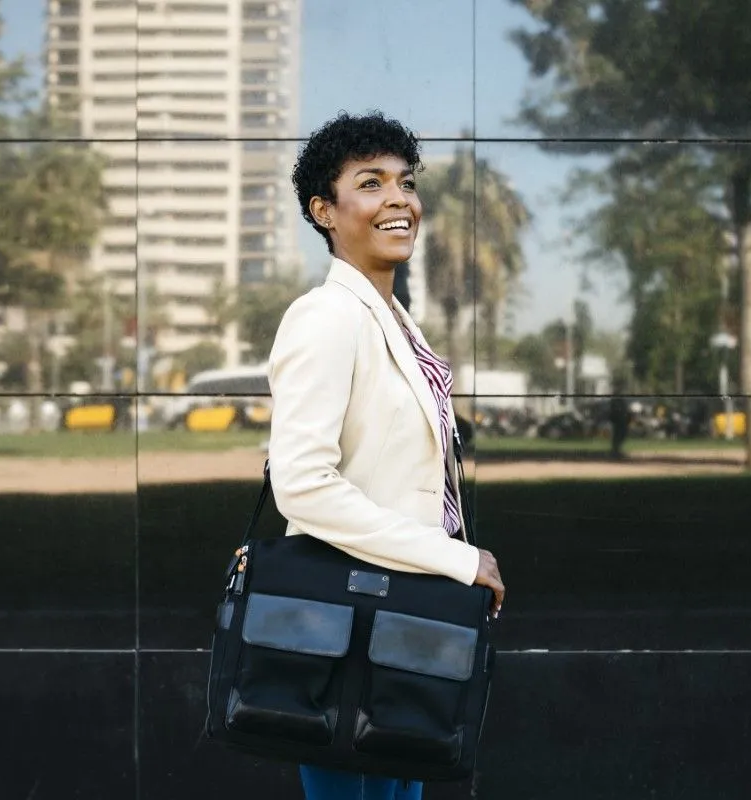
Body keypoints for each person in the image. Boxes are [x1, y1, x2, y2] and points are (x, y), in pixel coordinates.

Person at [266, 112, 506, 800]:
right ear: (325, 211)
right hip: (344, 630)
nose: (399, 199)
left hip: (401, 622)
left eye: (406, 182)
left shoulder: (394, 320)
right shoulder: (325, 317)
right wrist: (458, 559)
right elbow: (304, 487)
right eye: (370, 183)